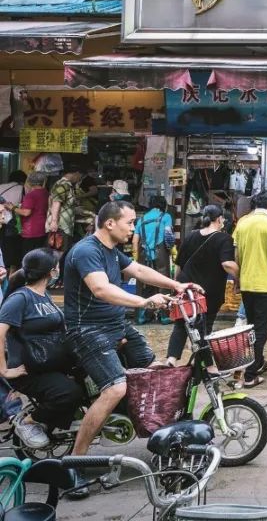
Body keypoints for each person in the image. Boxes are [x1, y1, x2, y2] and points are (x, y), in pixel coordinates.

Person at [64, 201, 199, 477]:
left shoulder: (114, 252)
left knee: (151, 368)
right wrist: (144, 302)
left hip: (116, 325)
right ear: (110, 223)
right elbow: (101, 289)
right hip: (87, 330)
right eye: (130, 222)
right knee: (115, 388)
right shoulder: (86, 251)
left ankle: (144, 427)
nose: (134, 228)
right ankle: (74, 464)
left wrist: (176, 284)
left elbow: (138, 270)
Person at [0, 248, 81, 452]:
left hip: (49, 364)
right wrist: (4, 370)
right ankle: (27, 422)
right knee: (69, 393)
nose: (58, 270)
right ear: (50, 271)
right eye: (57, 266)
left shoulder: (44, 295)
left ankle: (51, 424)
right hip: (29, 371)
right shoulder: (20, 298)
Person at [166, 205, 238, 366]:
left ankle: (171, 360)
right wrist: (240, 279)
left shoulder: (190, 236)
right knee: (204, 328)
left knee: (181, 324)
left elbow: (179, 265)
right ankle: (206, 366)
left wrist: (175, 286)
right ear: (219, 219)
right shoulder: (224, 239)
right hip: (208, 292)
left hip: (187, 288)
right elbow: (227, 264)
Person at [232, 191, 267, 388]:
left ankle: (258, 362)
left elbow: (236, 256)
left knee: (251, 326)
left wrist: (237, 281)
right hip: (265, 286)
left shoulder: (242, 223)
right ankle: (250, 375)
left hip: (247, 284)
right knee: (260, 330)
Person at [132, 196, 174, 323]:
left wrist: (135, 258)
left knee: (144, 284)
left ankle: (141, 316)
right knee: (163, 283)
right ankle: (165, 316)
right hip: (160, 254)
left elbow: (135, 241)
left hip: (144, 255)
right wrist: (173, 251)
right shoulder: (166, 217)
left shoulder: (142, 219)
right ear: (163, 205)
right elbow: (168, 237)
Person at [12, 173, 48, 270]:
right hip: (41, 228)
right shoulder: (45, 192)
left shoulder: (31, 195)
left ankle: (27, 279)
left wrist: (12, 207)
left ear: (29, 181)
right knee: (37, 256)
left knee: (27, 258)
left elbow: (26, 212)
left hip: (31, 230)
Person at [47, 168, 83, 253]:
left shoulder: (65, 184)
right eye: (80, 176)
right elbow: (56, 202)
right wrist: (54, 221)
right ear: (76, 173)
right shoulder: (63, 185)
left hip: (63, 225)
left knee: (60, 250)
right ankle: (56, 266)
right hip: (61, 225)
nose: (79, 179)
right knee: (60, 250)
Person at [0, 171, 26, 277]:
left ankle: (3, 267)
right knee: (11, 246)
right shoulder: (21, 188)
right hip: (11, 222)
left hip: (2, 221)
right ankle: (11, 273)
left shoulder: (1, 186)